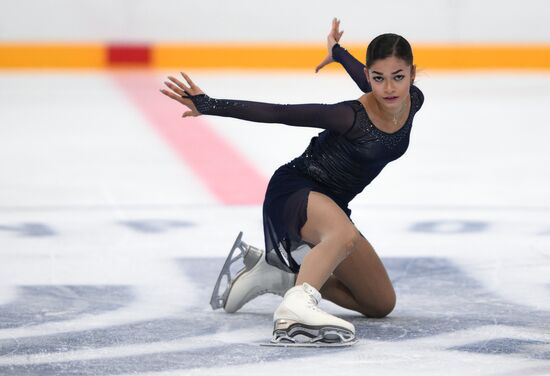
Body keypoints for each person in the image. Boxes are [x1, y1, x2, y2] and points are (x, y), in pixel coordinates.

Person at [160, 18, 424, 346]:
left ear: (412, 74)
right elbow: (279, 112)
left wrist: (338, 53)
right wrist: (211, 105)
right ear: (369, 77)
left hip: (332, 204)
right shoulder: (349, 116)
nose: (388, 88)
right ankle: (295, 309)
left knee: (380, 303)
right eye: (378, 78)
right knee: (342, 236)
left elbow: (372, 78)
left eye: (398, 77)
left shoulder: (414, 100)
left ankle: (284, 276)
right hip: (297, 189)